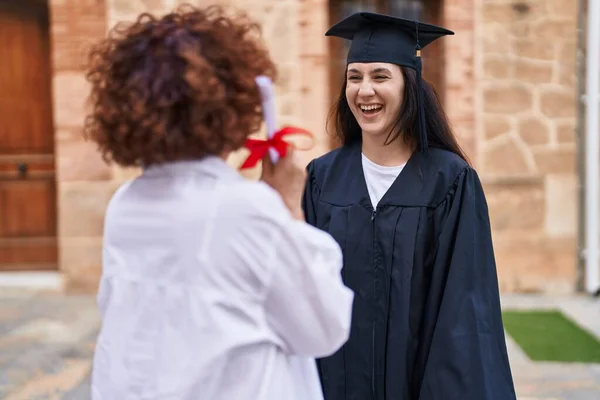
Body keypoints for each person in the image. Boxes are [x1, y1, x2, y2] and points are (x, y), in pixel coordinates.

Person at [85, 5, 353, 400]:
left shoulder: (126, 204)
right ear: (228, 106)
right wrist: (288, 206)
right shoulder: (243, 209)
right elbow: (324, 326)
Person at [302, 12, 516, 400]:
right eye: (355, 77)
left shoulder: (449, 182)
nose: (365, 90)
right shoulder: (322, 180)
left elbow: (463, 315)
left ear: (409, 85)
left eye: (380, 76)